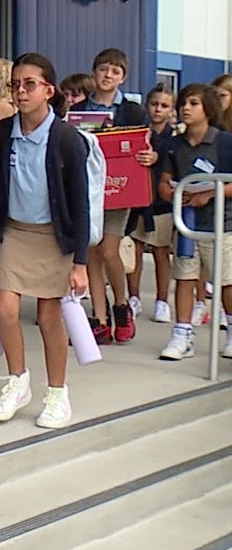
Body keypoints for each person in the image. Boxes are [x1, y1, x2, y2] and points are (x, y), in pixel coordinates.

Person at [0, 53, 90, 429]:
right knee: (3, 308)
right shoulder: (3, 133)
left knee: (49, 316)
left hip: (54, 238)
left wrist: (81, 262)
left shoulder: (68, 140)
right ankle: (17, 382)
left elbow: (81, 206)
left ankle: (57, 394)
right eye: (16, 84)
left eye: (30, 84)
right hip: (17, 233)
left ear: (48, 91)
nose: (21, 91)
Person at [71, 48, 146, 345]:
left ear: (123, 77)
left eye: (115, 71)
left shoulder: (133, 110)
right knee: (90, 250)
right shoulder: (79, 110)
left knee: (109, 251)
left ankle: (121, 304)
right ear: (94, 72)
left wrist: (149, 155)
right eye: (103, 69)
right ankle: (100, 319)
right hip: (89, 189)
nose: (108, 75)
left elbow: (146, 145)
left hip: (119, 188)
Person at [157, 83, 232, 361]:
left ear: (208, 109)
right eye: (183, 104)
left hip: (220, 223)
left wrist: (210, 194)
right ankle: (182, 333)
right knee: (185, 277)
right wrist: (170, 191)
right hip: (186, 223)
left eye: (193, 103)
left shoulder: (225, 142)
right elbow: (165, 180)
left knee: (226, 281)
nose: (185, 109)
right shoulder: (174, 145)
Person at [126, 85, 178, 323]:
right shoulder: (137, 132)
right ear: (147, 106)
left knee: (160, 252)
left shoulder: (175, 139)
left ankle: (162, 301)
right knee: (134, 249)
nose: (158, 109)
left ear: (171, 110)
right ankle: (133, 297)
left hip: (161, 203)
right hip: (137, 201)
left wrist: (158, 158)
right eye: (155, 104)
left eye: (164, 105)